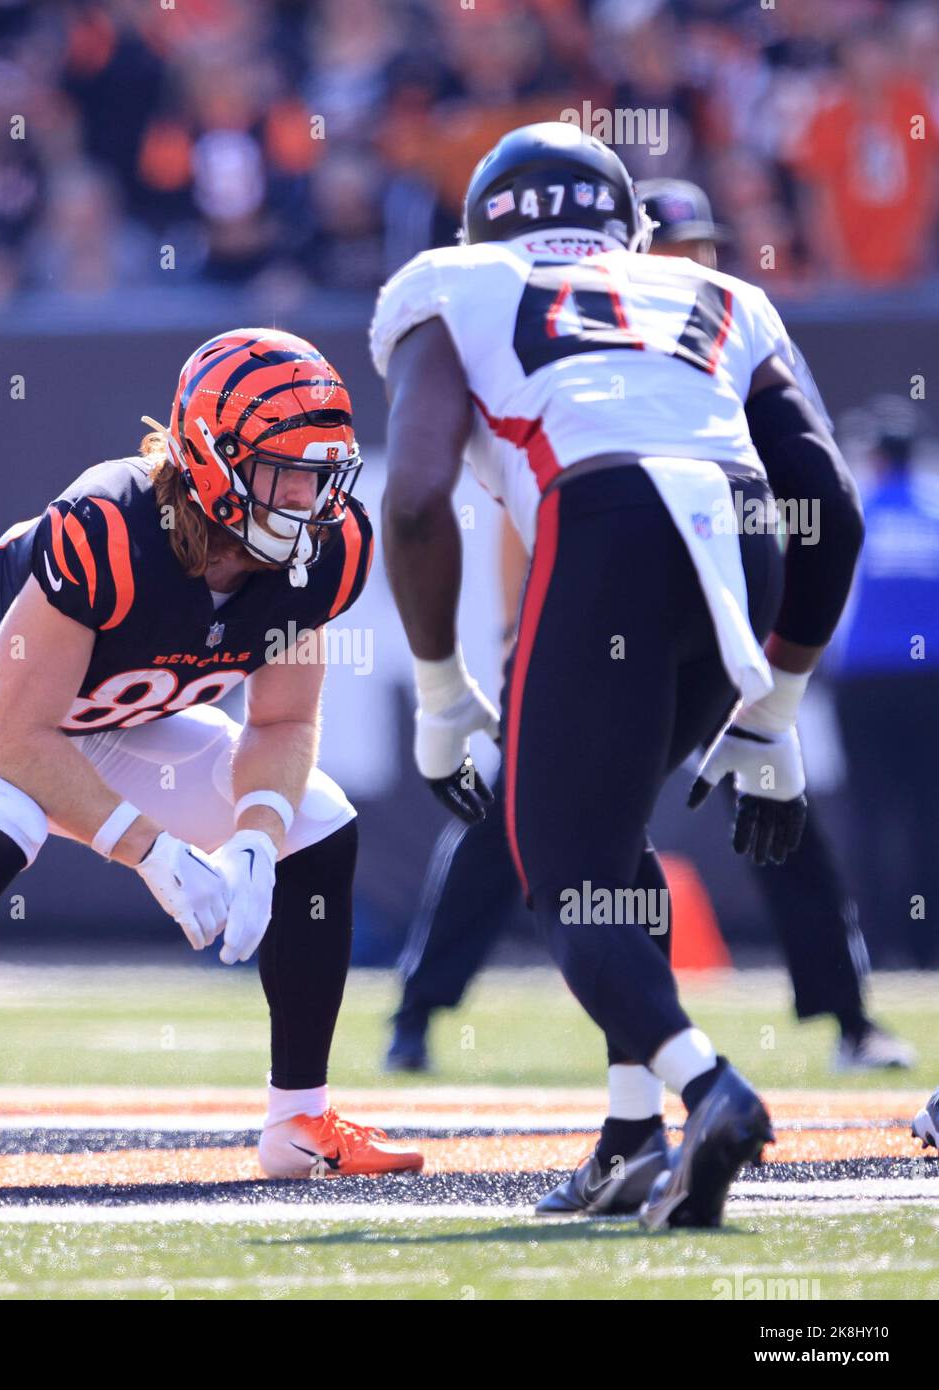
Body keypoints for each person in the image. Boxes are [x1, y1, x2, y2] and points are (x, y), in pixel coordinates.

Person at [371, 123, 863, 1227]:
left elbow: (410, 498)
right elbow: (824, 499)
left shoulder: (455, 285)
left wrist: (444, 693)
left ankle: (707, 1088)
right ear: (627, 225)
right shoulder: (719, 296)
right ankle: (630, 1137)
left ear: (481, 224)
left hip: (606, 525)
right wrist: (771, 711)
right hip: (740, 537)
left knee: (564, 870)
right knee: (618, 840)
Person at [0, 328, 423, 1190]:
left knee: (315, 823)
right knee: (0, 827)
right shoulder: (107, 528)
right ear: (211, 459)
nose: (308, 499)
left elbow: (283, 724)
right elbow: (7, 739)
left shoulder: (321, 555)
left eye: (320, 475)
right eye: (284, 473)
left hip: (108, 718)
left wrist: (254, 837)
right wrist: (151, 850)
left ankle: (299, 1119)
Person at [830, 395, 939, 968]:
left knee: (868, 812)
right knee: (929, 813)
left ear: (875, 457)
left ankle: (871, 942)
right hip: (930, 685)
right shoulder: (936, 512)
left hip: (867, 683)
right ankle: (928, 947)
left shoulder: (859, 508)